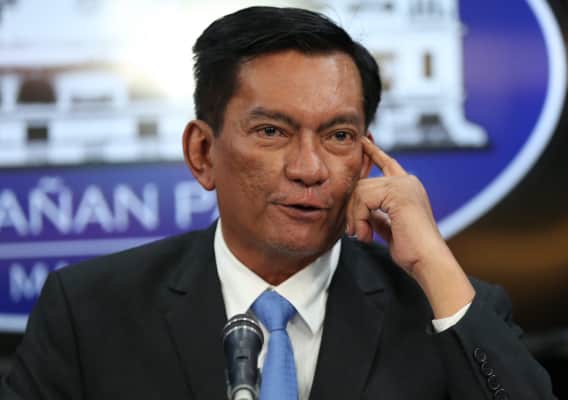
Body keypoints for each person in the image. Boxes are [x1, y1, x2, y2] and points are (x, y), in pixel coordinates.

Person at [1, 6, 556, 400]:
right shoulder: (90, 311)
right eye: (271, 131)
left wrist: (433, 262)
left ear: (365, 160)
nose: (309, 168)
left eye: (339, 136)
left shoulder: (445, 309)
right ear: (202, 153)